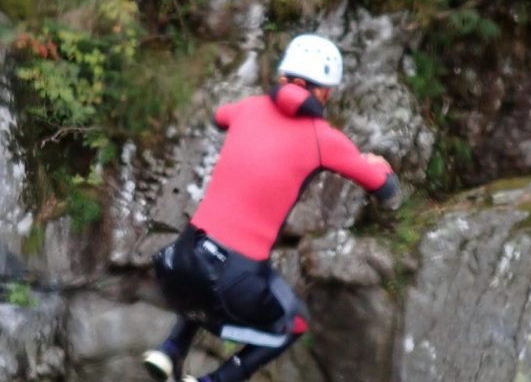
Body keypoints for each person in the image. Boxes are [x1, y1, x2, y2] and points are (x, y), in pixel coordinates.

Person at [143, 34, 401, 382]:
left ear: (283, 77)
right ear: (325, 91)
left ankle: (170, 350)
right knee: (291, 322)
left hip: (177, 262)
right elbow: (386, 189)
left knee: (205, 278)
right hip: (234, 278)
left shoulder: (249, 107)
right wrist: (377, 165)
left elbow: (219, 117)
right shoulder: (323, 138)